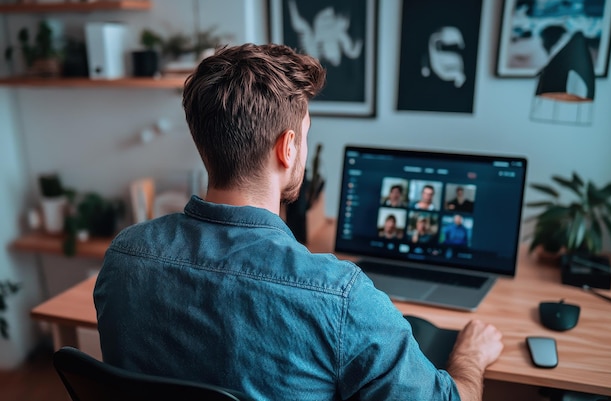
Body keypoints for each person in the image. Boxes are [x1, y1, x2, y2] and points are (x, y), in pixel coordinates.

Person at [94, 43, 502, 401]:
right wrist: (471, 357)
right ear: (287, 148)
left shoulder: (124, 256)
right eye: (304, 135)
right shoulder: (339, 297)